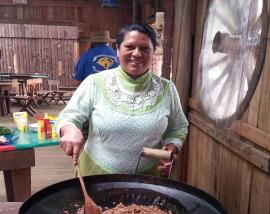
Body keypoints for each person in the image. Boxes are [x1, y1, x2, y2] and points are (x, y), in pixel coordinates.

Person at [56, 23, 189, 177]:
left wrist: (172, 147)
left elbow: (178, 127)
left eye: (145, 48)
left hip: (148, 181)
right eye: (129, 47)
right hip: (96, 177)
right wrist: (70, 129)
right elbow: (68, 117)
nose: (137, 53)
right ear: (117, 50)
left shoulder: (167, 89)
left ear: (153, 53)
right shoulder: (94, 83)